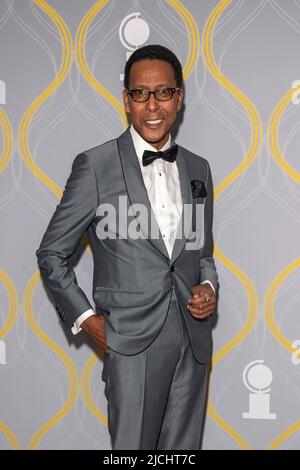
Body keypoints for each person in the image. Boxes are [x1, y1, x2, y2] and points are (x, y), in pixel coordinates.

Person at [36, 44, 218, 450]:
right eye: (140, 93)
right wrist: (87, 319)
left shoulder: (198, 168)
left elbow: (202, 254)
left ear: (179, 97)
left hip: (193, 341)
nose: (152, 105)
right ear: (127, 101)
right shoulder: (96, 165)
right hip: (131, 343)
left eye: (164, 92)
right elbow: (51, 253)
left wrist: (209, 288)